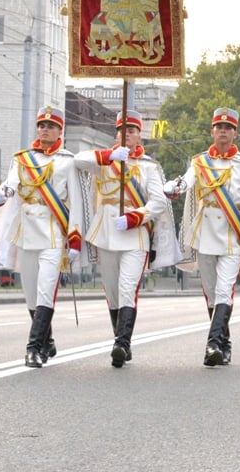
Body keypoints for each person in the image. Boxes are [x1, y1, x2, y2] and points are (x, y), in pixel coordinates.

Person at [74, 110, 177, 368]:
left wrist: (136, 217)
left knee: (127, 287)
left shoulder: (148, 167)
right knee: (112, 290)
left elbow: (158, 202)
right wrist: (108, 155)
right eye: (122, 130)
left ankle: (122, 344)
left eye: (131, 131)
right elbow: (78, 160)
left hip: (135, 235)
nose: (126, 135)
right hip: (106, 232)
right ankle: (120, 339)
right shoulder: (105, 161)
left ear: (139, 135)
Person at [0, 106, 85, 368]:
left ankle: (33, 349)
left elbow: (76, 202)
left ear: (60, 130)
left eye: (50, 126)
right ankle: (48, 341)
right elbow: (11, 184)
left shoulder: (68, 160)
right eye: (41, 125)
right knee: (30, 292)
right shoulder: (22, 159)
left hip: (52, 232)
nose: (44, 130)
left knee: (46, 289)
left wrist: (74, 239)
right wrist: (1, 194)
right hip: (27, 231)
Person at [163, 107, 240, 367]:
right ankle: (224, 344)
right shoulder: (199, 163)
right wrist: (176, 187)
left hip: (232, 234)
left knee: (223, 289)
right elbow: (187, 181)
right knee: (210, 291)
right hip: (205, 232)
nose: (223, 131)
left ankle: (212, 344)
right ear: (212, 131)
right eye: (219, 127)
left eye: (228, 128)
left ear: (235, 133)